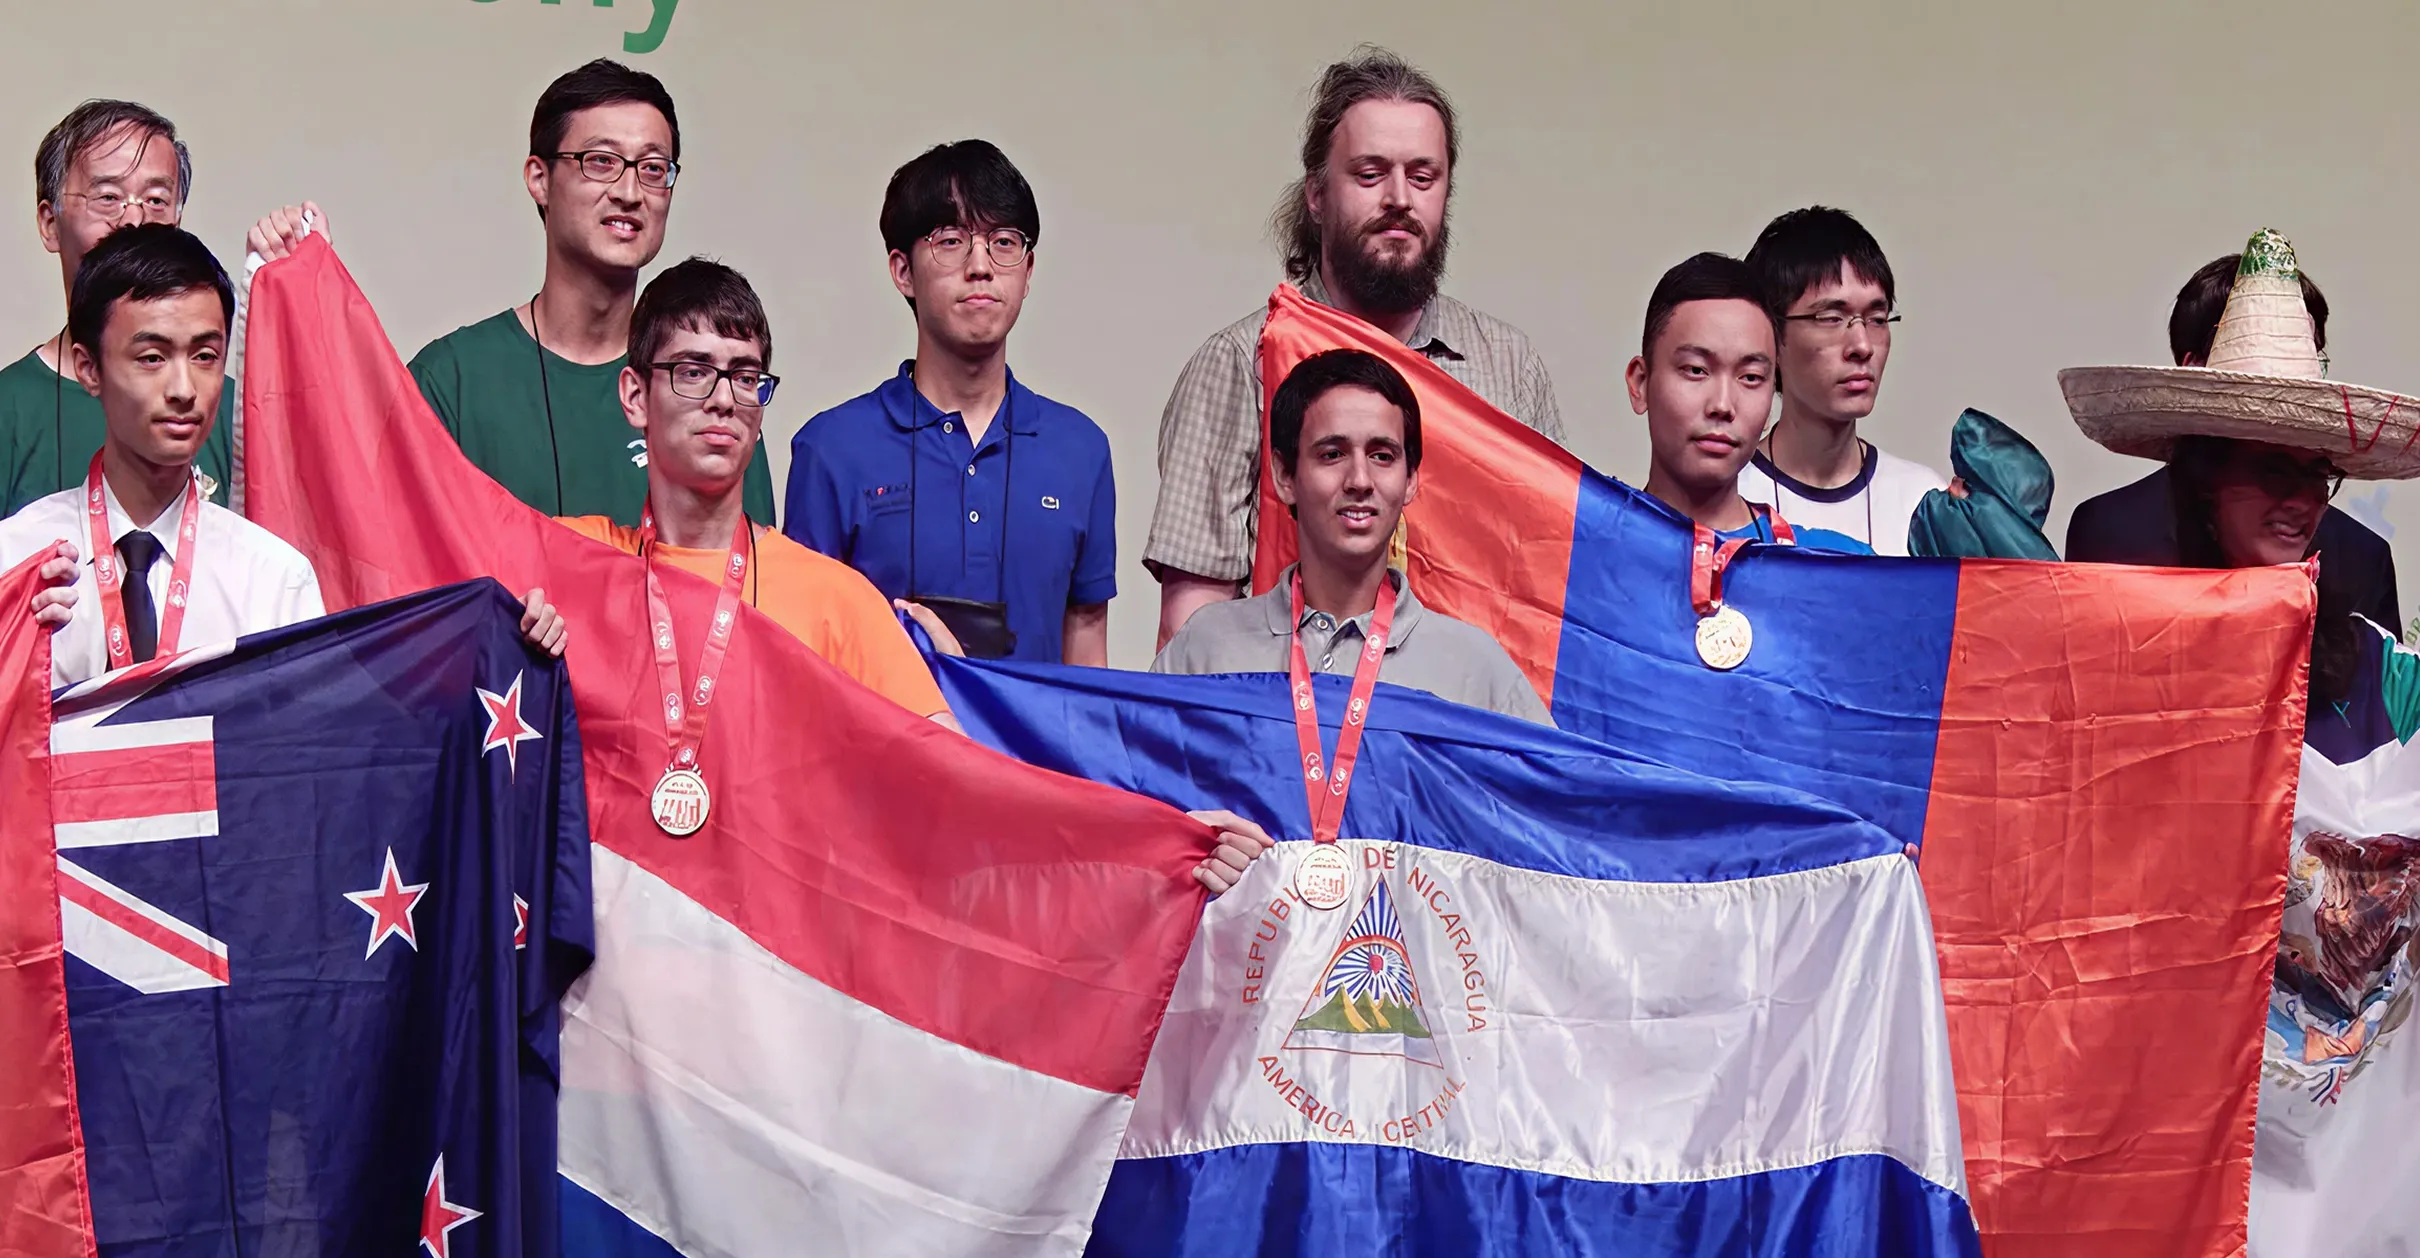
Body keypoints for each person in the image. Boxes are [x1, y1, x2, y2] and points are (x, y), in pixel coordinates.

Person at [2, 224, 568, 687]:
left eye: (205, 356)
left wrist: (508, 646)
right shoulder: (18, 562)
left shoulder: (273, 578)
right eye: (152, 358)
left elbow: (314, 762)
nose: (184, 389)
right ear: (89, 369)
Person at [1145, 47, 1564, 647]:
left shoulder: (1509, 366)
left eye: (1423, 177)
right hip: (1286, 701)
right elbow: (1192, 627)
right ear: (1317, 194)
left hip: (1462, 705)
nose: (1400, 198)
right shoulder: (1241, 362)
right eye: (1370, 174)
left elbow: (1546, 591)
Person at [558, 257, 961, 729]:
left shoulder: (836, 600)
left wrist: (965, 684)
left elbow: (946, 758)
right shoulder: (575, 560)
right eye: (693, 371)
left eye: (745, 377)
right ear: (636, 397)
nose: (724, 399)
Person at [783, 140, 1115, 666]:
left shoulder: (1081, 450)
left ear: (1028, 271)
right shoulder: (831, 449)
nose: (981, 265)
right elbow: (804, 655)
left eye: (1003, 242)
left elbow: (1086, 648)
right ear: (903, 271)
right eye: (951, 241)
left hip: (1031, 729)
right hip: (886, 725)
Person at [407, 59, 774, 525]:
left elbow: (751, 559)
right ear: (540, 179)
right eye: (602, 161)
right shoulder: (451, 381)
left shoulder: (710, 383)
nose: (630, 192)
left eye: (653, 168)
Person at [1154, 348, 1549, 726]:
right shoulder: (1206, 648)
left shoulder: (1474, 670)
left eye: (1382, 456)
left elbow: (1560, 773)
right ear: (1285, 475)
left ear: (1411, 479)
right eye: (1333, 454)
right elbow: (1137, 765)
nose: (1360, 480)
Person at [2065, 252, 2398, 633]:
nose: (2300, 499)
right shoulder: (2111, 529)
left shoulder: (2361, 556)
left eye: (2319, 474)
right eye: (2273, 472)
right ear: (2191, 370)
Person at [1, 100, 233, 518]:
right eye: (108, 197)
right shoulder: (9, 409)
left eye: (157, 200)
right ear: (50, 223)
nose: (134, 221)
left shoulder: (229, 410)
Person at [1627, 252, 1872, 554]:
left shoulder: (1840, 566)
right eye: (1696, 370)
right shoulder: (1584, 554)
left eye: (1751, 377)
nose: (1722, 405)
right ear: (1640, 383)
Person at [1737, 207, 1946, 555]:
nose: (1862, 346)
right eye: (1832, 318)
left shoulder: (1922, 503)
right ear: (1770, 335)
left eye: (1877, 319)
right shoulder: (1726, 499)